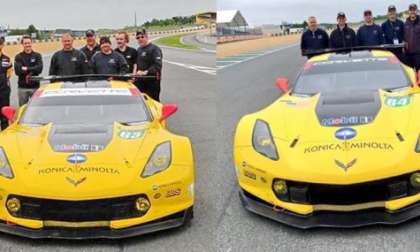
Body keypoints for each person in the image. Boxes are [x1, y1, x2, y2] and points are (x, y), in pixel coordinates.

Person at [134, 29, 163, 101]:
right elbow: (136, 64)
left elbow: (157, 65)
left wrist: (145, 72)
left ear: (147, 37)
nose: (140, 39)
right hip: (140, 81)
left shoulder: (155, 49)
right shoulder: (139, 50)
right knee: (142, 102)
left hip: (152, 81)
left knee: (153, 102)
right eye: (138, 37)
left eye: (142, 37)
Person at [14, 35, 43, 106]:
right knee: (23, 109)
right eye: (25, 43)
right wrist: (33, 69)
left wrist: (26, 68)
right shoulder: (18, 56)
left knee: (36, 108)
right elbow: (18, 72)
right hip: (22, 88)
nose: (27, 45)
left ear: (31, 43)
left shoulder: (37, 55)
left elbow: (39, 69)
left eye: (29, 43)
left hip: (35, 87)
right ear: (22, 44)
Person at [0, 37, 12, 130]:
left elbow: (9, 72)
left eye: (1, 44)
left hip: (4, 91)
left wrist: (6, 78)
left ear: (3, 45)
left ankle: (4, 139)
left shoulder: (7, 59)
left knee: (4, 116)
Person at [404, 3, 420, 71]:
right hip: (408, 54)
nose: (412, 12)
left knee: (418, 74)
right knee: (409, 73)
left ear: (416, 11)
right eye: (411, 10)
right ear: (409, 11)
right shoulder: (406, 23)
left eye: (414, 10)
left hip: (418, 54)